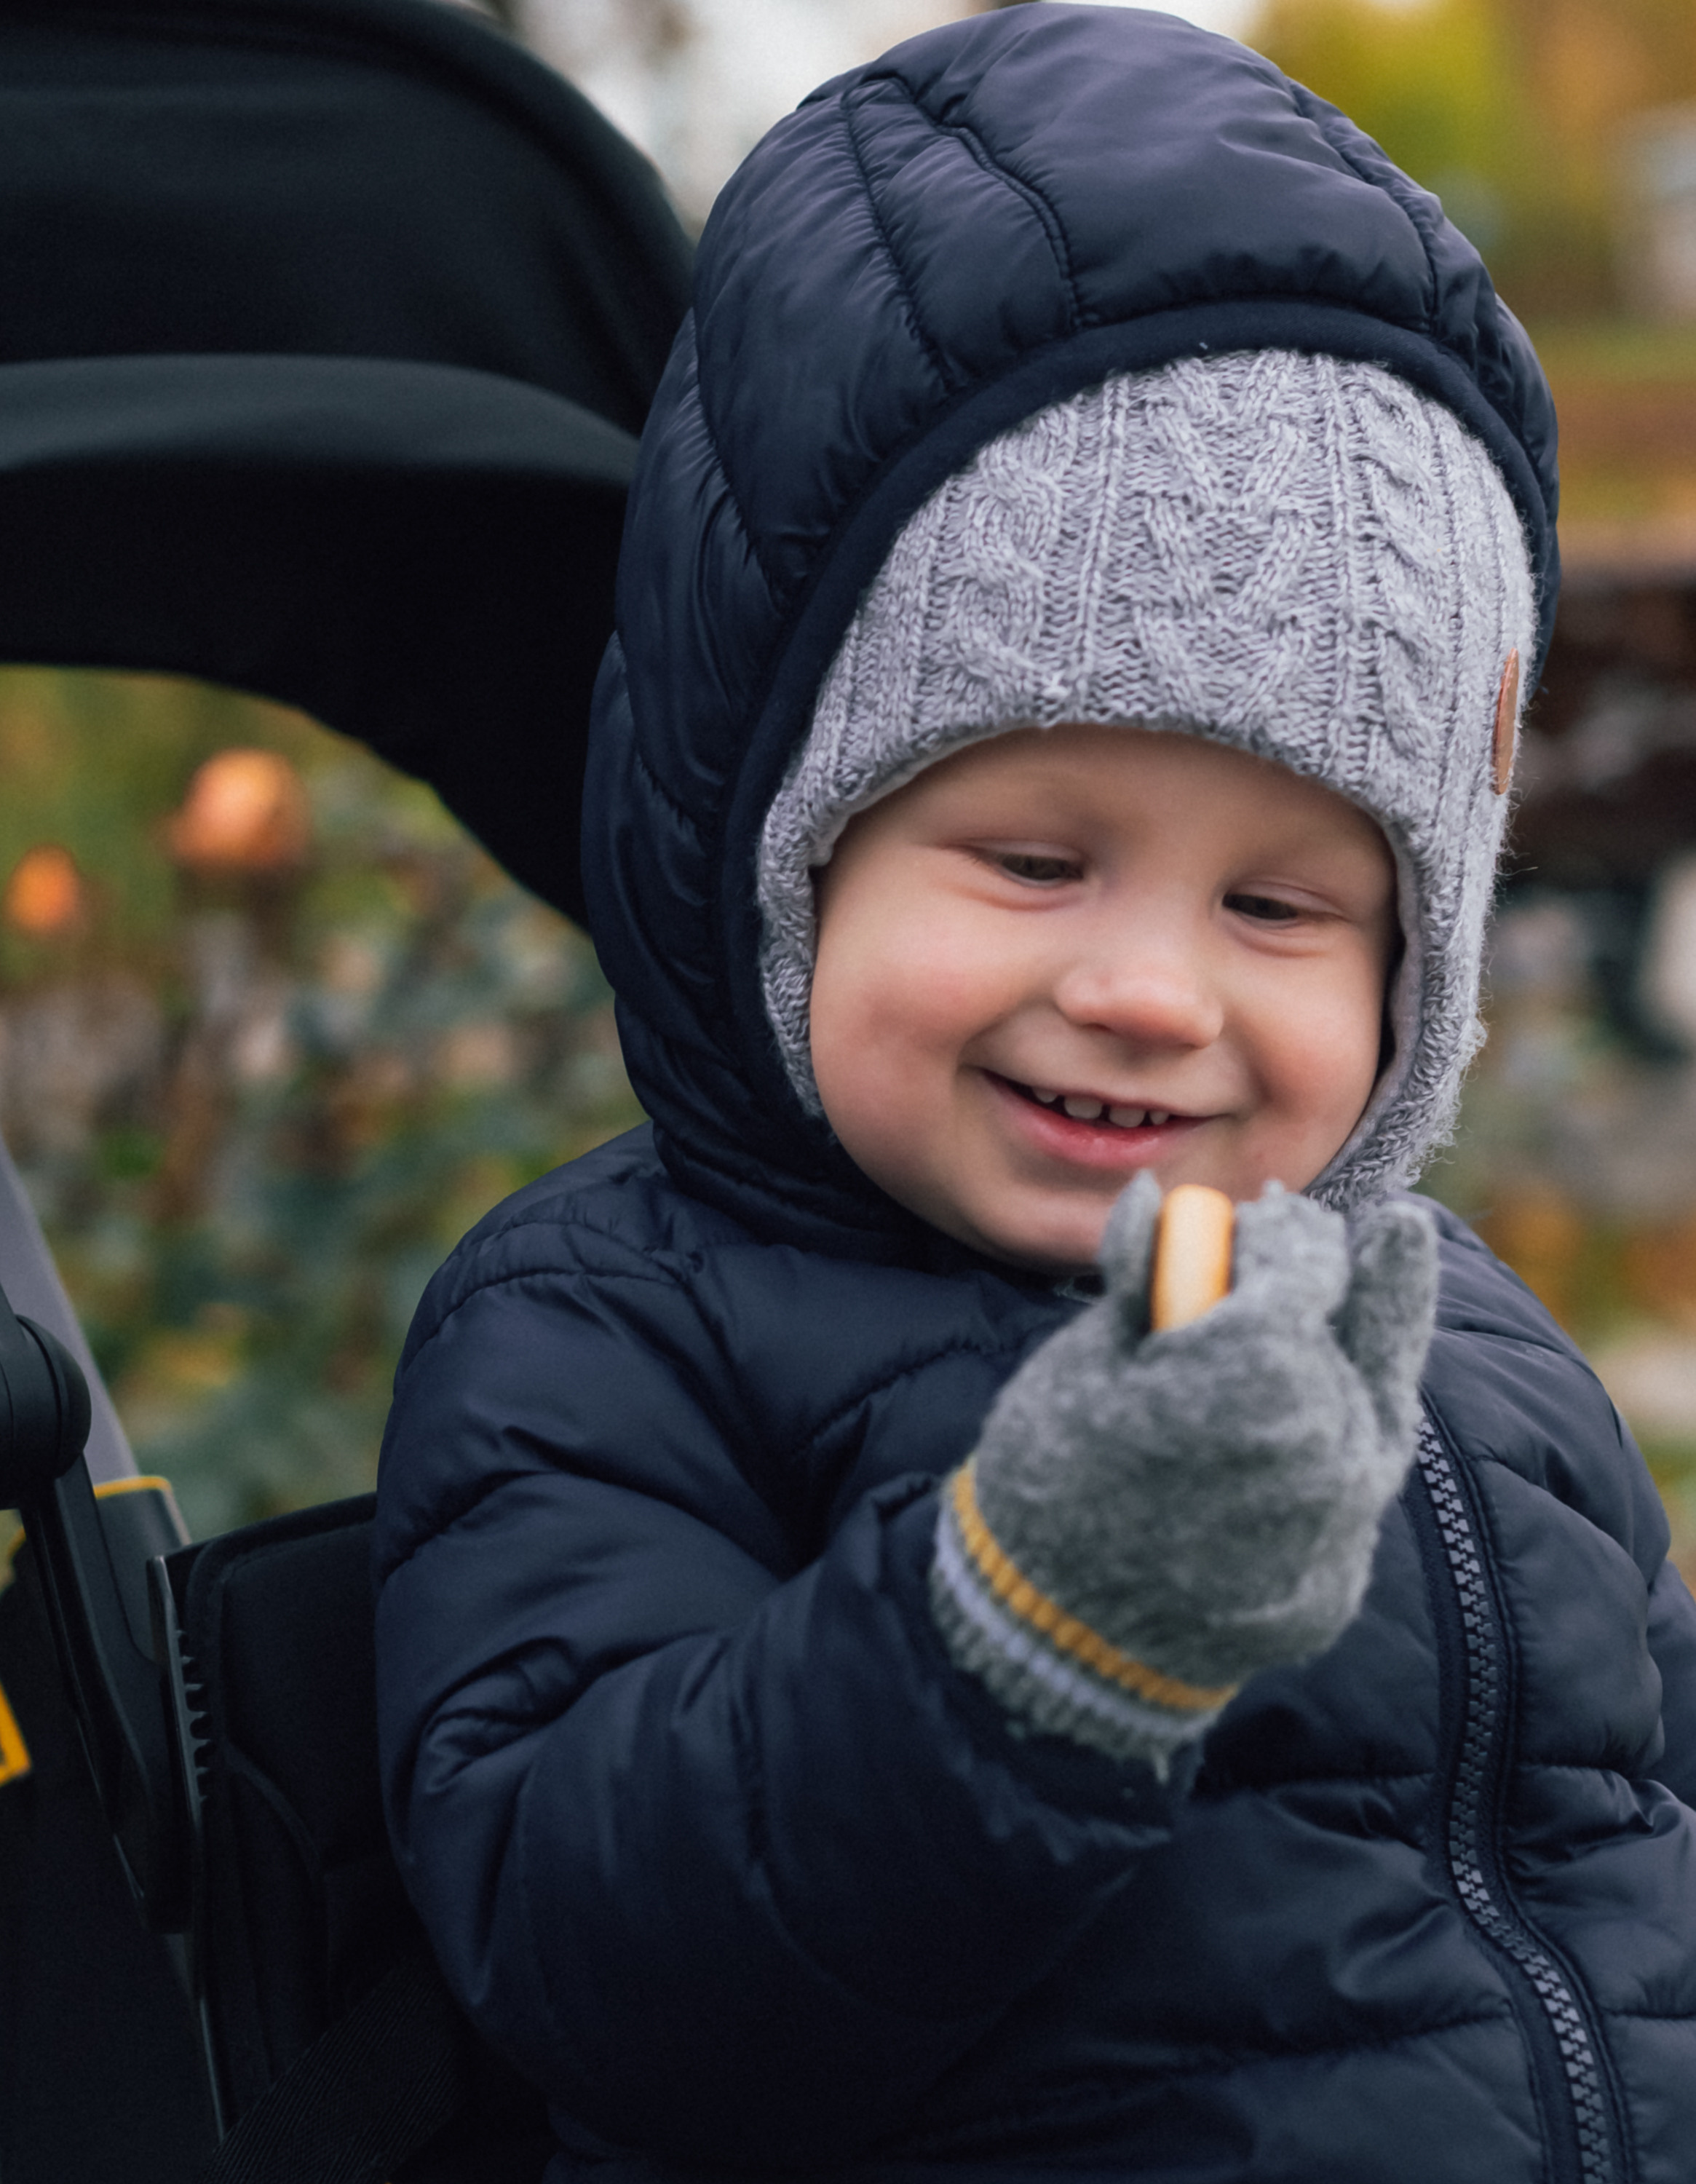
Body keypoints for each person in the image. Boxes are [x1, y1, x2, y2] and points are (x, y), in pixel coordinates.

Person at [372, 7, 1696, 2180]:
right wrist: (1036, 1620)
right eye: (1031, 859)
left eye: (1280, 908)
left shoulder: (1462, 1341)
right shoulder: (609, 1332)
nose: (1148, 989)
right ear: (777, 846)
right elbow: (602, 1964)